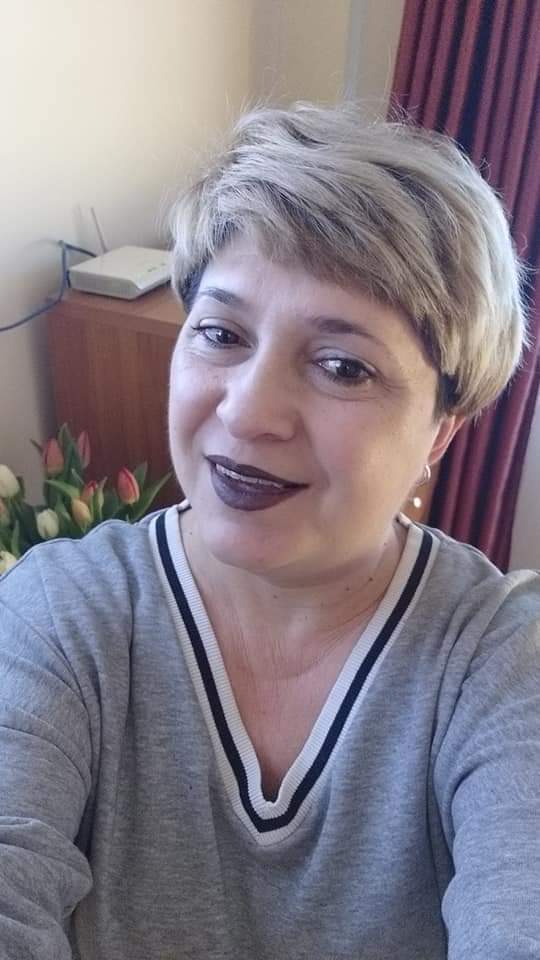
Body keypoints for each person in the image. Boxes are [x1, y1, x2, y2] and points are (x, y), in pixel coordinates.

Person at [0, 102, 538, 960]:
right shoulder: (62, 614)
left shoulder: (499, 658)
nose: (248, 413)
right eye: (221, 334)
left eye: (343, 367)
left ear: (440, 432)